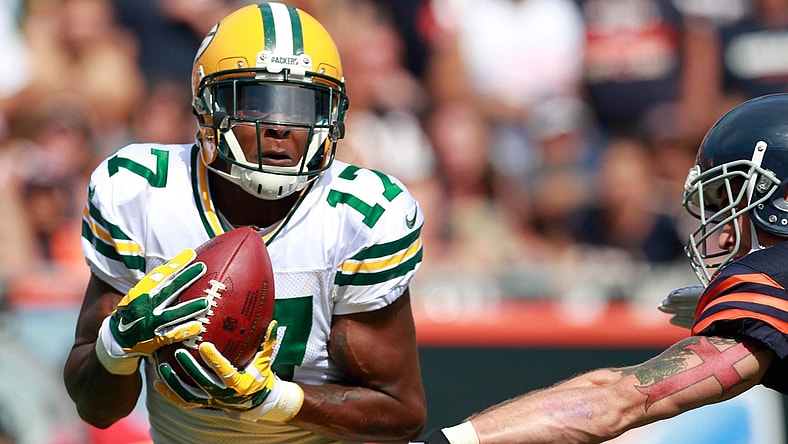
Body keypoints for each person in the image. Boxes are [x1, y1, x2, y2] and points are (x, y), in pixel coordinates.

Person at [62, 3, 427, 443]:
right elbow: (97, 409)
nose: (280, 127)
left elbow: (401, 412)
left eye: (301, 105)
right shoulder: (140, 194)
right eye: (256, 101)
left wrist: (272, 401)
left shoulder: (360, 217)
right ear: (208, 106)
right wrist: (116, 346)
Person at [414, 93, 788, 444]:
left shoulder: (772, 277)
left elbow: (618, 401)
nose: (724, 238)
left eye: (735, 206)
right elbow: (609, 390)